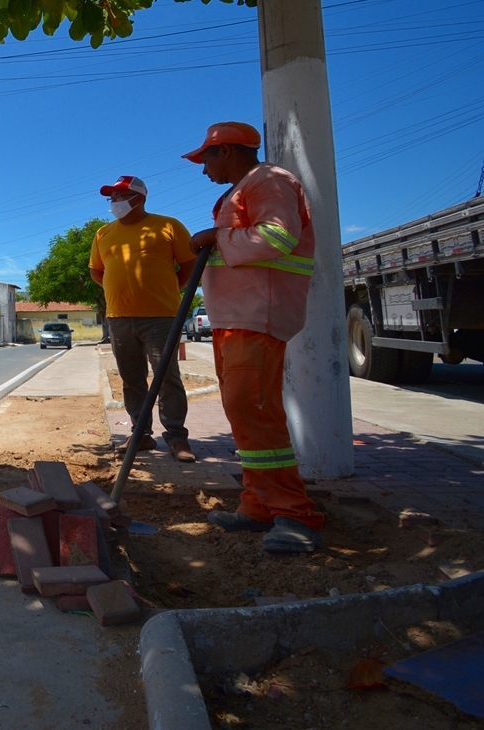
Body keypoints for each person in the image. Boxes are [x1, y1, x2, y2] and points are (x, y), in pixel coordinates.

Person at [183, 121, 324, 553]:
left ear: (226, 151)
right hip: (235, 318)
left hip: (257, 316)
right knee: (243, 413)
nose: (203, 169)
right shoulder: (241, 189)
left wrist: (216, 237)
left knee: (255, 411)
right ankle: (258, 504)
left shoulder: (270, 181)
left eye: (205, 158)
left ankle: (295, 515)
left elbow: (278, 236)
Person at [89, 176, 198, 463]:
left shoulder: (168, 226)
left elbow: (190, 263)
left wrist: (168, 288)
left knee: (167, 378)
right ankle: (141, 434)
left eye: (120, 196)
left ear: (139, 198)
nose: (114, 202)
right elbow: (97, 271)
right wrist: (120, 290)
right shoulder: (103, 233)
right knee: (131, 380)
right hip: (119, 319)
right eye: (111, 197)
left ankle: (176, 438)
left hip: (161, 317)